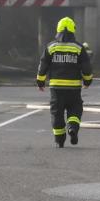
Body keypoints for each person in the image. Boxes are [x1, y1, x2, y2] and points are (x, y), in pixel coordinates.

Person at [36, 17, 93, 148]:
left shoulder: (51, 47)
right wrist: (88, 81)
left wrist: (40, 82)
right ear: (73, 30)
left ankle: (59, 140)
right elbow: (86, 67)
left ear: (58, 29)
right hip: (73, 88)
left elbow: (43, 65)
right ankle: (72, 128)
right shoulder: (78, 48)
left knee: (57, 113)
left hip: (56, 88)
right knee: (75, 109)